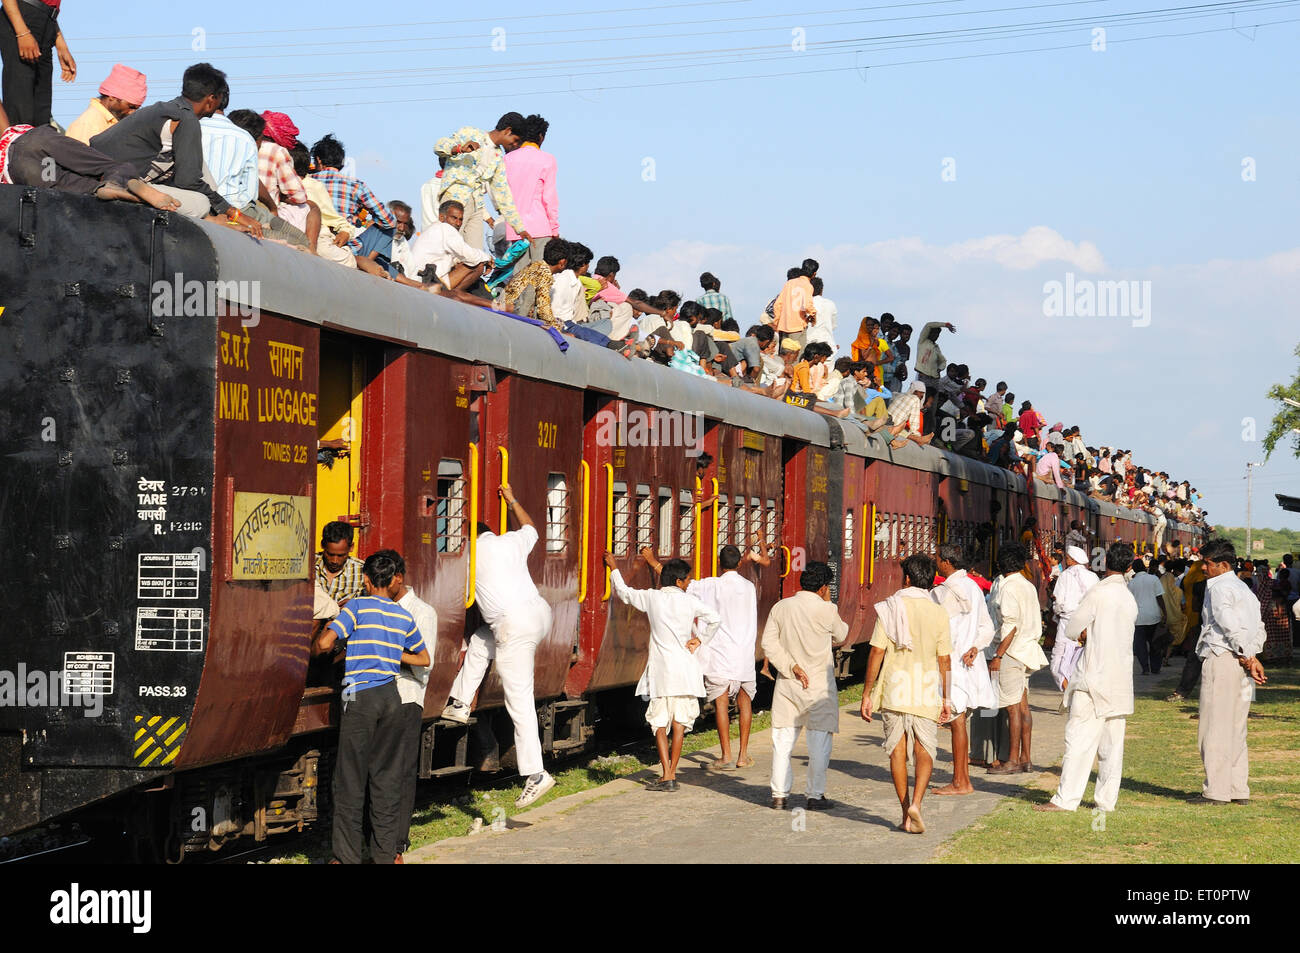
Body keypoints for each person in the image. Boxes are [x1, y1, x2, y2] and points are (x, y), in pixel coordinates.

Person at [442, 482, 557, 808]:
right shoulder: (510, 542)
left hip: (512, 624)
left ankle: (536, 775)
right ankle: (461, 703)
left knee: (519, 700)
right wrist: (511, 500)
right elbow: (532, 528)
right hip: (539, 614)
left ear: (467, 539)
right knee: (481, 641)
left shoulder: (469, 555)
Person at [315, 551, 429, 864]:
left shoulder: (356, 607)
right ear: (393, 581)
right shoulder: (403, 616)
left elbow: (326, 643)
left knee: (350, 780)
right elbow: (424, 659)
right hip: (393, 699)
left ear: (366, 580)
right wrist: (392, 656)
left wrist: (321, 642)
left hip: (360, 699)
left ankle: (346, 857)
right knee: (387, 780)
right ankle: (385, 855)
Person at [1036, 542, 1138, 813]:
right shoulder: (1128, 598)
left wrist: (1084, 635)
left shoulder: (1098, 593)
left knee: (1079, 740)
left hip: (1092, 677)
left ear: (1104, 564)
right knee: (1112, 746)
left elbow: (1073, 628)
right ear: (1129, 568)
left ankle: (1066, 799)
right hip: (1119, 680)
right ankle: (1106, 801)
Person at [607, 550, 720, 791]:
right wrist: (699, 640)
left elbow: (625, 594)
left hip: (661, 671)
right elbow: (715, 619)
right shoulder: (690, 602)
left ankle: (666, 774)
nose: (690, 583)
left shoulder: (652, 598)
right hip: (685, 669)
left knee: (659, 723)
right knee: (679, 724)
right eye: (688, 579)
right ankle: (672, 773)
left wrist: (614, 568)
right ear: (679, 581)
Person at [90, 62, 249, 224]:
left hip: (105, 172)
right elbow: (187, 181)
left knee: (199, 166)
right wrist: (234, 213)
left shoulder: (164, 109)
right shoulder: (186, 119)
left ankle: (219, 217)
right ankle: (129, 193)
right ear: (211, 99)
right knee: (201, 203)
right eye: (220, 98)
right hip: (122, 180)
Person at [862, 553, 953, 833]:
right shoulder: (938, 612)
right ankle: (916, 803)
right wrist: (946, 697)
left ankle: (904, 813)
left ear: (908, 578)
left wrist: (867, 693)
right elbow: (944, 659)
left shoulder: (891, 607)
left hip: (894, 688)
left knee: (897, 750)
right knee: (924, 747)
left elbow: (877, 651)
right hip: (925, 687)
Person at [762, 561, 848, 810]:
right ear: (823, 587)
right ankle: (814, 795)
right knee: (818, 742)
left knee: (782, 740)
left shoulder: (781, 607)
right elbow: (841, 635)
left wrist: (791, 667)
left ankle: (779, 795)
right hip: (819, 685)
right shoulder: (827, 610)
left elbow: (769, 643)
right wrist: (829, 603)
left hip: (789, 683)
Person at [1190, 539, 1267, 805]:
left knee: (1214, 726)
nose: (1202, 568)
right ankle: (1237, 789)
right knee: (1236, 726)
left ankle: (1217, 791)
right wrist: (1252, 657)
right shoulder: (1245, 590)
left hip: (1224, 658)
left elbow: (1228, 624)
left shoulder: (1220, 588)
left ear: (1222, 565)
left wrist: (1247, 655)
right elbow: (1259, 626)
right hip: (1244, 661)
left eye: (1206, 563)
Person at [0, 101, 178, 210]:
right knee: (101, 164)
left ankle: (99, 189)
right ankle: (119, 179)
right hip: (31, 139)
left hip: (18, 170)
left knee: (72, 187)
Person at [683, 545, 762, 770]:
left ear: (720, 563)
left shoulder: (710, 585)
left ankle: (725, 755)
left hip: (719, 656)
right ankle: (743, 755)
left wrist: (653, 562)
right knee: (745, 704)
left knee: (721, 705)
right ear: (739, 564)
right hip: (744, 655)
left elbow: (682, 584)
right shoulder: (749, 586)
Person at [382, 552, 437, 863]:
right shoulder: (376, 606)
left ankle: (397, 846)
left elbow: (424, 668)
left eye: (382, 582)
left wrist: (387, 651)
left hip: (406, 697)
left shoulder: (422, 613)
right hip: (377, 696)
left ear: (398, 579)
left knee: (401, 774)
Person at [931, 543, 996, 796]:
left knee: (957, 723)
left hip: (952, 666)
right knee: (960, 723)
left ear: (946, 562)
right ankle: (962, 779)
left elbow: (940, 631)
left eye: (937, 558)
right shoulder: (974, 587)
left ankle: (961, 782)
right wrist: (976, 647)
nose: (936, 562)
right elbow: (987, 627)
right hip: (969, 663)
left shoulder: (945, 592)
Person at [987, 543, 1048, 774]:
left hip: (1011, 652)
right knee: (1023, 707)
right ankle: (1026, 758)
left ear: (1001, 563)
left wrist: (998, 655)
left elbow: (1010, 626)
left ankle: (1011, 760)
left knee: (1012, 709)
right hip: (1026, 651)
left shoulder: (1008, 587)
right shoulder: (1027, 585)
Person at [434, 112, 531, 248]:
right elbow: (439, 146)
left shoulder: (498, 157)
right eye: (515, 140)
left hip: (477, 206)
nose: (514, 145)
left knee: (476, 260)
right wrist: (459, 149)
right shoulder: (470, 133)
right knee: (449, 248)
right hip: (455, 199)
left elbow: (503, 194)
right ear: (508, 131)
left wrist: (519, 228)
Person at [309, 133, 398, 276]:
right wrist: (368, 217)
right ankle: (362, 263)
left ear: (318, 160)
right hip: (343, 245)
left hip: (313, 239)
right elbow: (389, 221)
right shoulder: (356, 185)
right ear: (341, 162)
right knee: (390, 228)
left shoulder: (308, 180)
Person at [500, 114, 557, 316]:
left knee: (518, 274)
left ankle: (514, 316)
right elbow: (549, 198)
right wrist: (555, 228)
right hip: (541, 227)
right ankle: (528, 318)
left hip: (516, 228)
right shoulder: (547, 160)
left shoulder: (507, 159)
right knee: (538, 274)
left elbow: (500, 193)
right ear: (541, 137)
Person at [0, 0, 74, 127]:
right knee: (21, 116)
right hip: (23, 17)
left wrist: (60, 42)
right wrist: (22, 32)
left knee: (42, 118)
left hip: (48, 22)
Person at [407, 198, 492, 290]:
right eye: (454, 218)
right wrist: (487, 258)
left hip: (418, 278)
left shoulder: (434, 229)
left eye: (460, 219)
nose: (458, 223)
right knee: (478, 265)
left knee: (463, 263)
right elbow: (470, 256)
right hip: (425, 281)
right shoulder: (446, 228)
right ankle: (452, 295)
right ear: (441, 217)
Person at [1049, 545, 1099, 690]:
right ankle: (1076, 693)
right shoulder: (1093, 576)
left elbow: (1058, 601)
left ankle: (1067, 692)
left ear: (1071, 560)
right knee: (1080, 660)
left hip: (1067, 623)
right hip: (1087, 624)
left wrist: (1057, 613)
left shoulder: (1065, 575)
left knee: (1058, 660)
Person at [65, 63, 146, 144]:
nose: (132, 112)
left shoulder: (116, 124)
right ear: (112, 97)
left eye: (137, 108)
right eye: (131, 107)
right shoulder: (89, 124)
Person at [1127, 558, 1166, 675]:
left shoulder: (1131, 583)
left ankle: (1145, 668)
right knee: (1155, 643)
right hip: (1154, 616)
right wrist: (1165, 613)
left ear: (1134, 570)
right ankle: (1156, 667)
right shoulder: (1154, 579)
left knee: (1140, 645)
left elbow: (1129, 602)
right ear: (1144, 567)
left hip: (1138, 618)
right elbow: (1160, 597)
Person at [316, 520, 366, 605]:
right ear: (322, 545)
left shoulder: (362, 572)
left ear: (351, 547)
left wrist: (356, 605)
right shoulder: (309, 566)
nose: (335, 561)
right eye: (330, 554)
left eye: (341, 555)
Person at [771, 264, 816, 347]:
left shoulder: (789, 283)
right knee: (796, 356)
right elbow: (807, 306)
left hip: (784, 327)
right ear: (814, 274)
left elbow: (777, 305)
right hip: (798, 327)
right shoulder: (808, 286)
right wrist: (813, 315)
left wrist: (777, 323)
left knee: (784, 356)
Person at [914, 321, 954, 387]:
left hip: (934, 378)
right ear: (929, 333)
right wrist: (945, 325)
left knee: (932, 396)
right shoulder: (923, 341)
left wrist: (939, 369)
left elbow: (943, 361)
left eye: (937, 334)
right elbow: (928, 325)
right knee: (921, 395)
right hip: (922, 376)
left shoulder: (936, 348)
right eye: (934, 333)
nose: (936, 336)